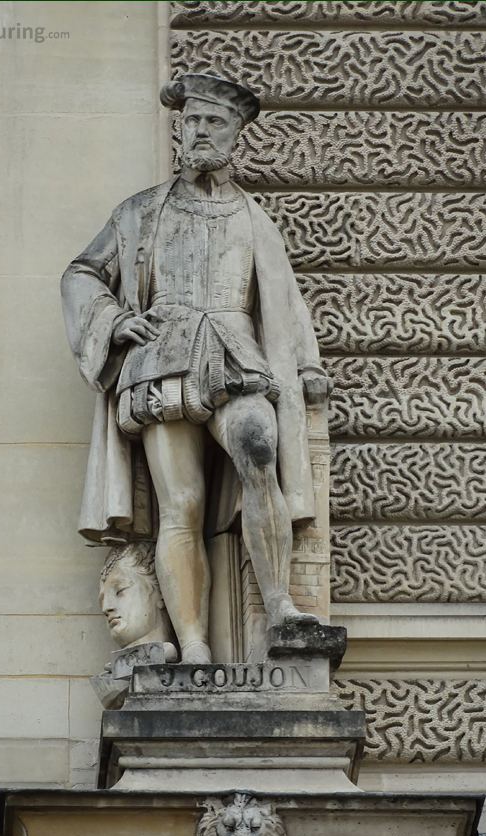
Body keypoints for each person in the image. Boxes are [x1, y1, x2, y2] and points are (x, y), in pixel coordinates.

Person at [62, 73, 331, 664]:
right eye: (194, 122)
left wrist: (307, 363)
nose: (202, 131)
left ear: (236, 135)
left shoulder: (255, 218)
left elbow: (282, 300)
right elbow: (82, 273)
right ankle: (195, 647)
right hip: (162, 356)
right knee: (178, 503)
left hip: (237, 353)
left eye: (216, 122)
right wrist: (111, 321)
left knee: (259, 449)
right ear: (180, 131)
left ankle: (281, 604)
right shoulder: (139, 212)